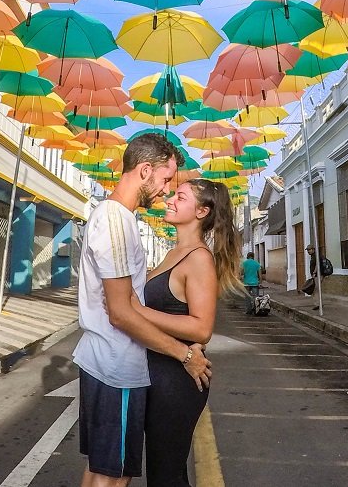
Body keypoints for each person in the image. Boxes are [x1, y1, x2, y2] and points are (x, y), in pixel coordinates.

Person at [74, 134, 211, 487]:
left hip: (113, 365)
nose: (166, 190)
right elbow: (120, 312)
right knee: (112, 477)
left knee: (103, 471)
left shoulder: (120, 219)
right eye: (166, 180)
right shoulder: (116, 220)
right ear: (145, 170)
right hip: (115, 366)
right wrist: (185, 354)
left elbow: (133, 305)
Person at [132, 178, 243, 487]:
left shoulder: (199, 258)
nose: (169, 199)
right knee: (167, 473)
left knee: (165, 477)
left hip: (176, 380)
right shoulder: (174, 253)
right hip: (157, 373)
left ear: (201, 211)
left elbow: (201, 327)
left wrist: (138, 311)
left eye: (180, 197)